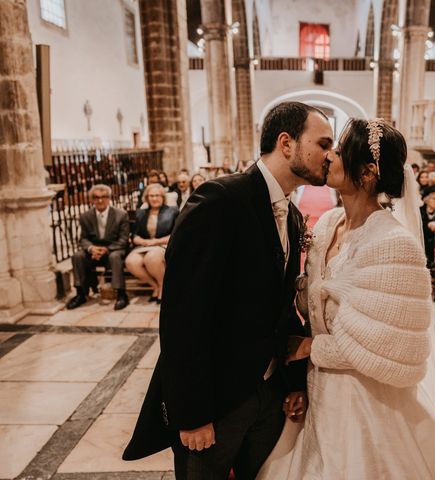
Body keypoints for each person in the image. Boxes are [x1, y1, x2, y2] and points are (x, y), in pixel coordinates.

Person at [123, 101, 335, 480]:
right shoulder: (219, 200)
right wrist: (192, 414)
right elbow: (183, 315)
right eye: (323, 143)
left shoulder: (293, 215)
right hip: (216, 403)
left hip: (269, 398)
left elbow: (282, 308)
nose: (330, 155)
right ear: (286, 144)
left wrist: (294, 380)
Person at [257, 119, 435, 479]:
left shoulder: (393, 244)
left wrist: (309, 347)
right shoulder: (328, 224)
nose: (329, 157)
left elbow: (385, 346)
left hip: (365, 401)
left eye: (340, 151)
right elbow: (312, 306)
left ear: (368, 172)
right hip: (320, 391)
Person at [66, 184, 130, 311]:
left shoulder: (120, 215)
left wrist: (107, 249)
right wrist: (91, 248)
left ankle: (121, 294)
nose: (100, 200)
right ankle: (81, 293)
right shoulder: (86, 216)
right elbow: (83, 238)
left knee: (115, 256)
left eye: (104, 197)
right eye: (96, 197)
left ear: (109, 198)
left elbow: (123, 240)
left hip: (114, 249)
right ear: (91, 199)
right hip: (94, 251)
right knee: (78, 256)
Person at [125, 184, 179, 303]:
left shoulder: (172, 211)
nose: (154, 198)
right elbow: (134, 235)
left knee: (152, 258)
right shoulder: (140, 213)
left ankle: (163, 288)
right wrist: (143, 241)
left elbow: (176, 234)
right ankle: (155, 286)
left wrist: (156, 241)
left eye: (157, 195)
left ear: (163, 197)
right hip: (145, 246)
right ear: (147, 198)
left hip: (163, 245)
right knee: (131, 262)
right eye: (151, 196)